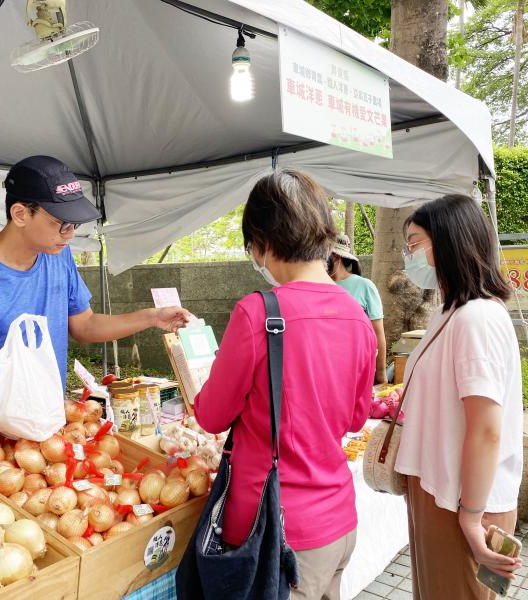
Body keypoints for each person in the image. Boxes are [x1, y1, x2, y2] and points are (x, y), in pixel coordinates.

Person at [194, 169, 377, 600]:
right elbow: (355, 419)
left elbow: (211, 414)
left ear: (263, 242)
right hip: (339, 522)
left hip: (279, 532)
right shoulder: (356, 316)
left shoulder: (258, 313)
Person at [0, 155, 190, 442]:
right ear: (21, 214)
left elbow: (85, 325)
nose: (70, 235)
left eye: (74, 225)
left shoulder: (58, 259)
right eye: (60, 223)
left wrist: (151, 317)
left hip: (46, 436)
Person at [393, 194, 524, 599]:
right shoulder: (452, 312)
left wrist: (471, 518)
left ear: (447, 242)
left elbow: (486, 429)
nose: (407, 255)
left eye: (414, 243)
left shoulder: (476, 318)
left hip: (462, 500)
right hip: (442, 492)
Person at [328, 234, 387, 384]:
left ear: (336, 257)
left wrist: (380, 373)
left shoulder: (364, 286)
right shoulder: (319, 286)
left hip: (357, 367)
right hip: (327, 366)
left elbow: (378, 332)